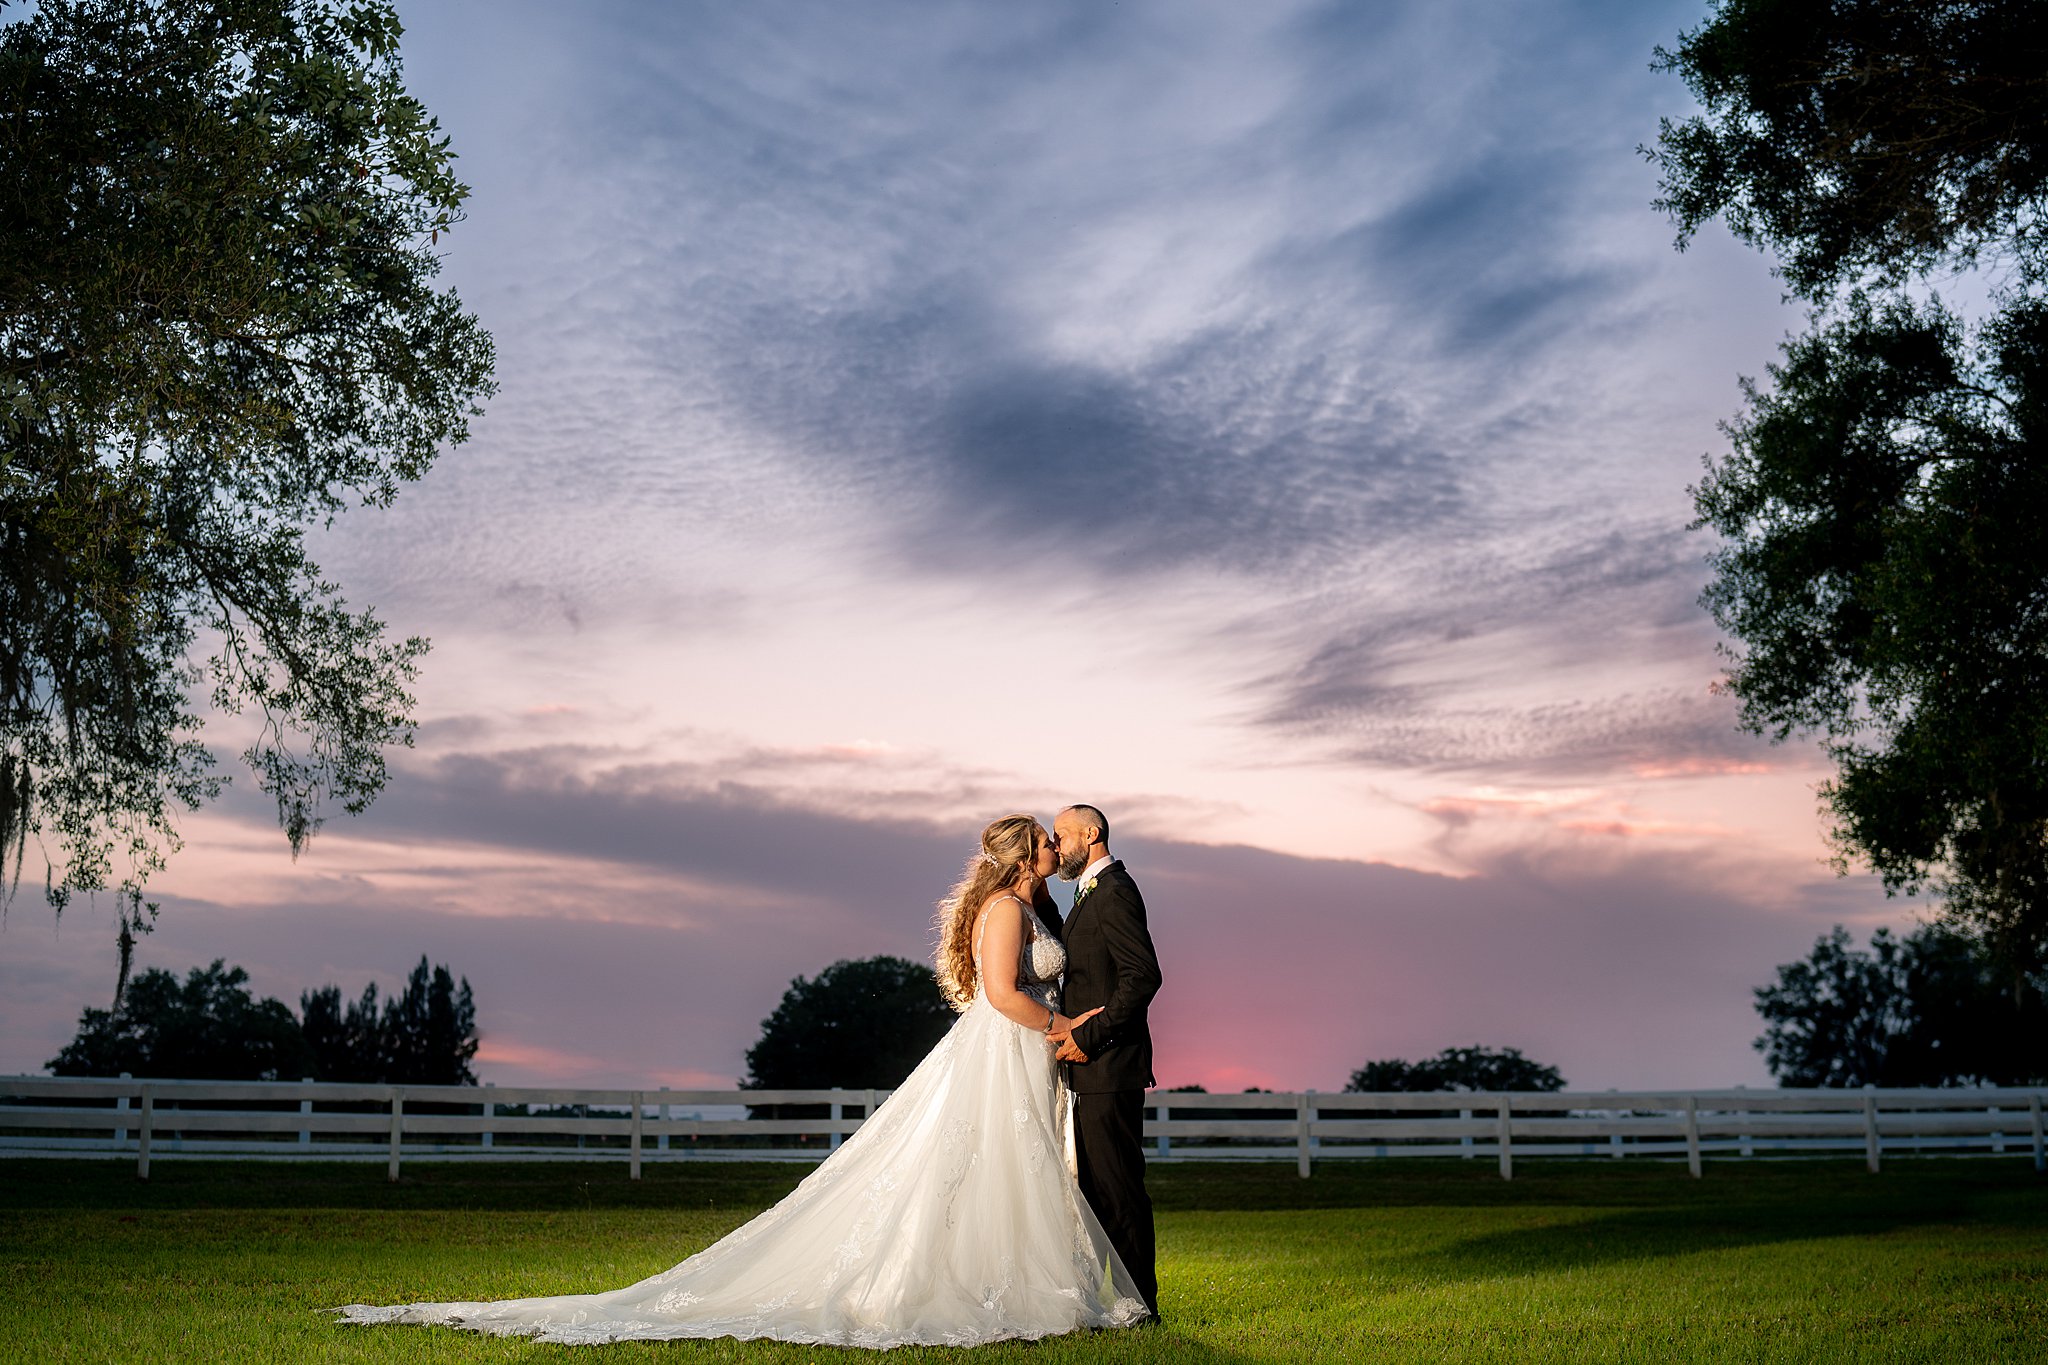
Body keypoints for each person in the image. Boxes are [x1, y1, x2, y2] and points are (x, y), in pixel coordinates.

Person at [335, 814, 1150, 1347]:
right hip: (1006, 1046)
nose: (1055, 847)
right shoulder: (1005, 910)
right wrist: (1062, 1028)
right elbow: (1002, 993)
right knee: (987, 1161)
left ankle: (1019, 1276)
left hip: (1019, 1052)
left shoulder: (1030, 906)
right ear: (1025, 856)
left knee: (1012, 1168)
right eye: (1045, 840)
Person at [1046, 802, 1164, 1320]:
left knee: (1119, 1190)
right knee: (1094, 1190)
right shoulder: (1086, 893)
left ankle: (1140, 1307)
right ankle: (1105, 1304)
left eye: (1062, 835)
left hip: (1110, 1065)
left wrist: (1088, 1036)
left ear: (1091, 834)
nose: (1056, 845)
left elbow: (1142, 977)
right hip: (1088, 1069)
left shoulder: (1115, 890)